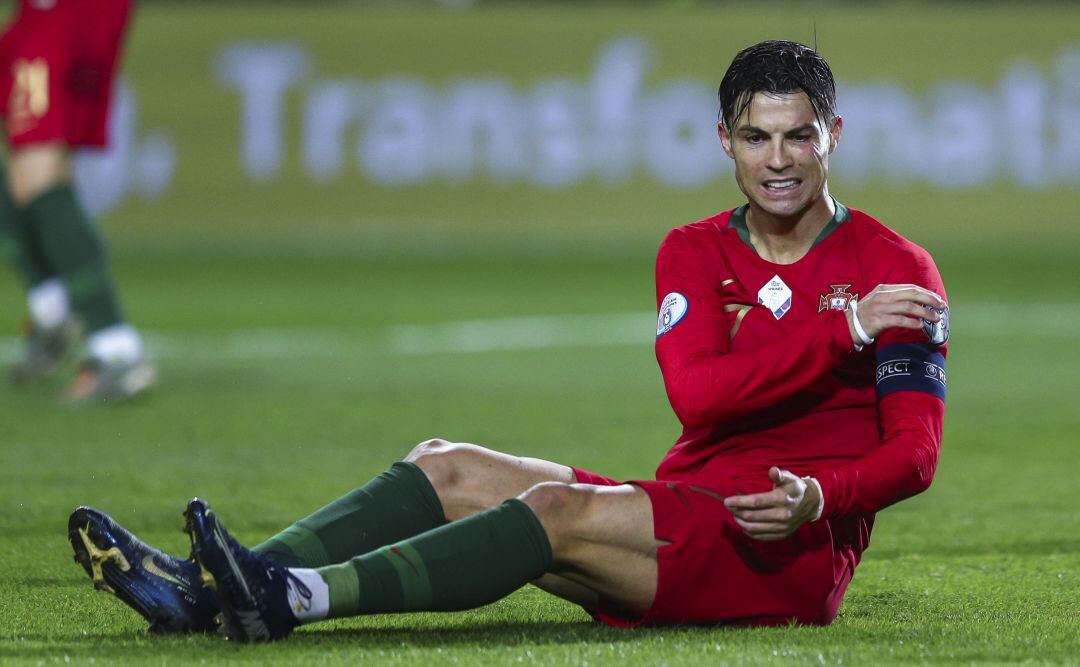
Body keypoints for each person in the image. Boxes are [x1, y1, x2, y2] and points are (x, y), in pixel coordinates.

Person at [67, 39, 949, 640]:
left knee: (550, 512)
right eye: (757, 137)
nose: (780, 158)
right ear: (726, 141)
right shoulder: (693, 250)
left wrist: (820, 498)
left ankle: (284, 597)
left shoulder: (895, 265)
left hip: (785, 549)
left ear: (833, 135)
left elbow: (914, 454)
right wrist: (843, 329)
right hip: (684, 510)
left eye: (800, 135)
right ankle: (208, 590)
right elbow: (700, 398)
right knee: (444, 462)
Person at [0, 0, 155, 402]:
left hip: (63, 12)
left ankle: (116, 350)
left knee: (39, 170)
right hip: (39, 15)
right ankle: (54, 311)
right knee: (27, 173)